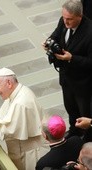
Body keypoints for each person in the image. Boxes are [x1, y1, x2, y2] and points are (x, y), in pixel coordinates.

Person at [43, 0, 92, 139]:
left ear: (80, 16)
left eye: (69, 19)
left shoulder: (89, 32)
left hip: (83, 84)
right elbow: (56, 35)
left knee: (85, 115)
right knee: (71, 109)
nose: (66, 22)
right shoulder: (63, 20)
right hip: (66, 78)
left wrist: (72, 58)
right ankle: (74, 132)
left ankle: (87, 138)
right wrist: (49, 42)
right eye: (64, 18)